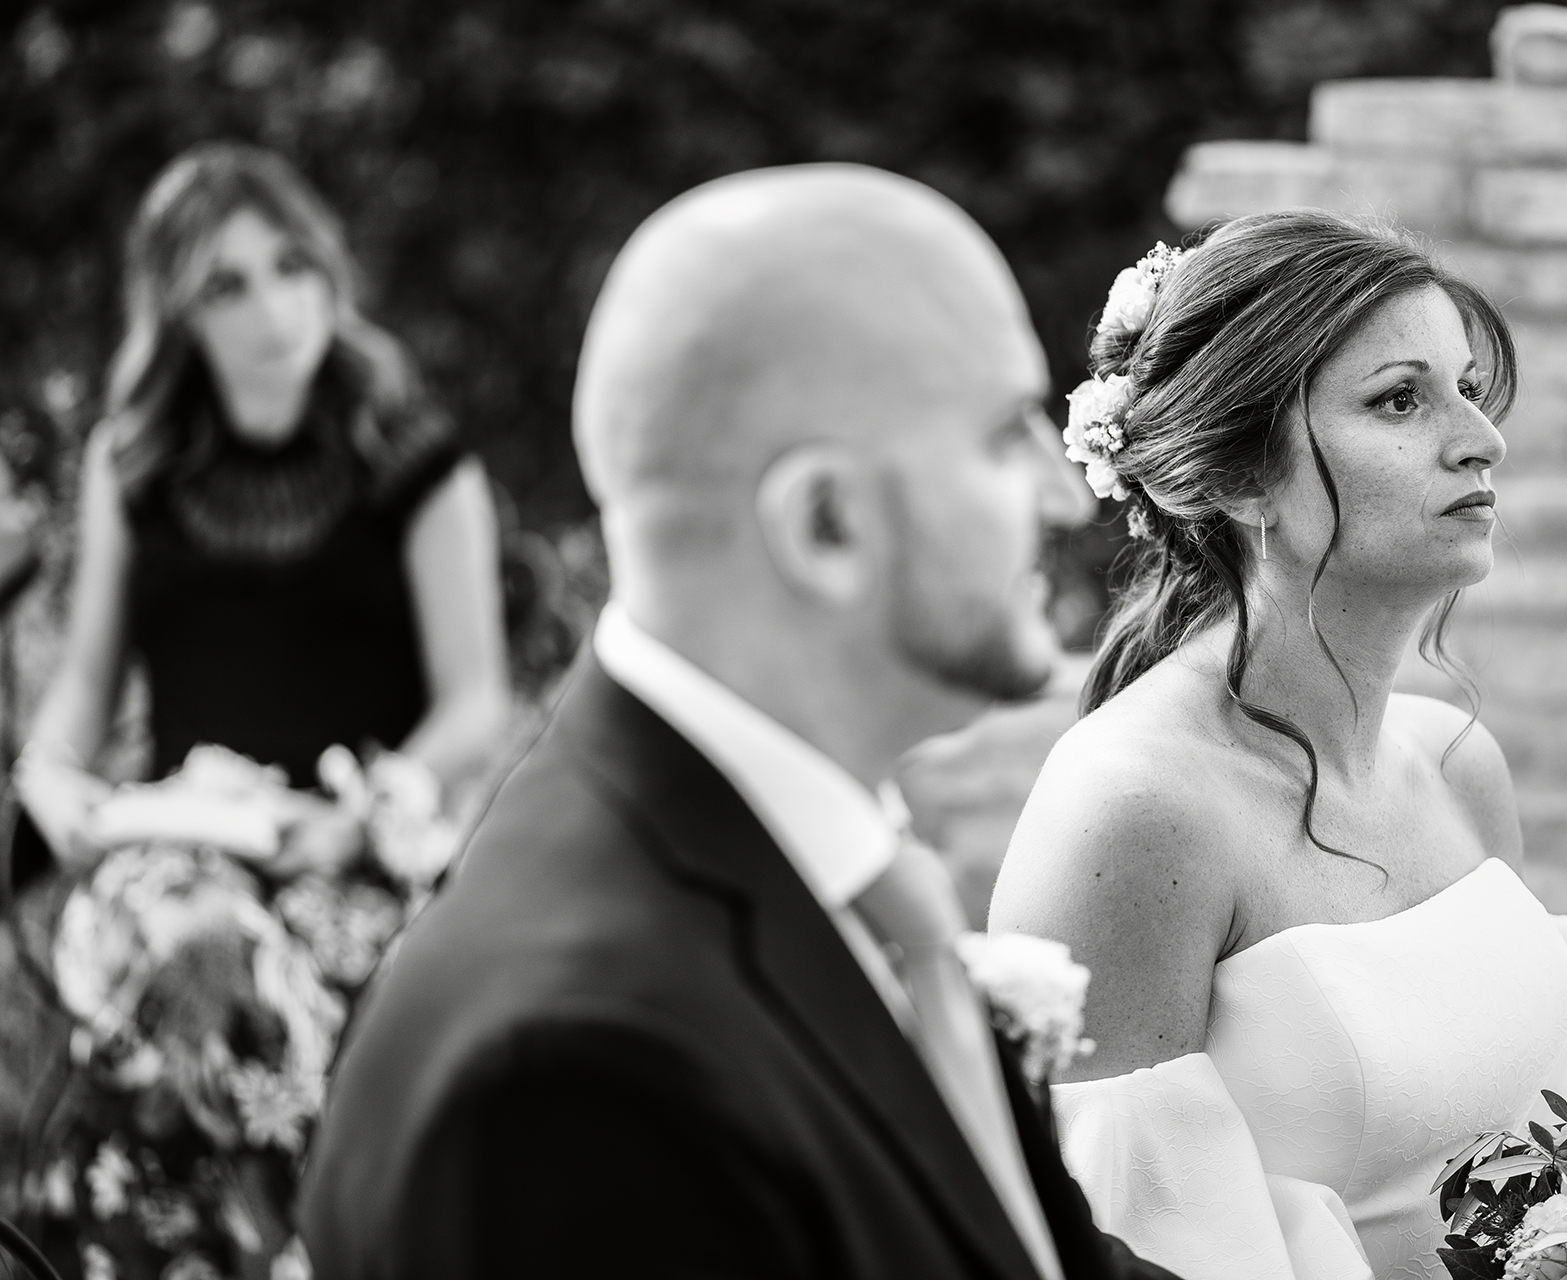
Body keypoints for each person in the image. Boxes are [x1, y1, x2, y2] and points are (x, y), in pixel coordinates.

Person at [299, 164, 1183, 1280]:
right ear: (826, 524)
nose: (1063, 494)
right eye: (1007, 435)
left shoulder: (822, 874)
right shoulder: (579, 1089)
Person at [989, 212, 1567, 1280]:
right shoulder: (1135, 810)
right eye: (1400, 399)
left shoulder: (1456, 765)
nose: (1480, 439)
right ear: (1237, 478)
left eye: (1468, 387)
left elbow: (1555, 1168)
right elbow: (1116, 1237)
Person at [4, 141, 510, 1277]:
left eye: (291, 266)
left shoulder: (418, 461)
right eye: (227, 285)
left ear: (329, 269)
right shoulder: (135, 462)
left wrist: (371, 809)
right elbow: (85, 683)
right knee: (198, 947)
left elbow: (474, 704)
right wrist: (53, 780)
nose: (276, 308)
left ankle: (226, 1243)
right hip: (182, 846)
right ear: (179, 312)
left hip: (353, 841)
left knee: (249, 989)